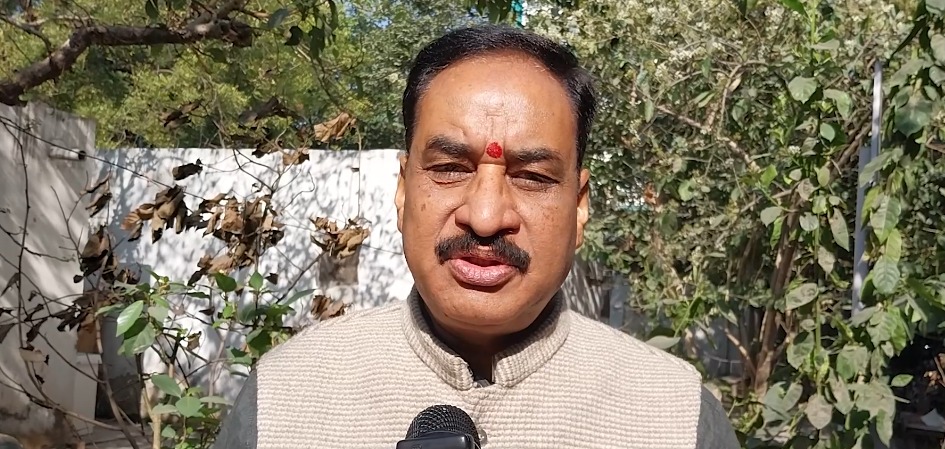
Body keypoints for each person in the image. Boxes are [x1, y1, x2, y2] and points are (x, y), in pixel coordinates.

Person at [211, 24, 740, 449]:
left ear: (579, 207)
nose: (485, 218)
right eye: (449, 168)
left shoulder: (672, 415)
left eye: (532, 177)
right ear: (403, 191)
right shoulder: (286, 397)